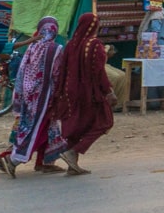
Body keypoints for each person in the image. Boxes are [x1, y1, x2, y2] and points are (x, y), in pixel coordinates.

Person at [44, 14, 116, 177]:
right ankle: (73, 152)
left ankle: (73, 164)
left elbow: (63, 70)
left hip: (69, 92)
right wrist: (108, 91)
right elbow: (98, 72)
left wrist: (60, 91)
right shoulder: (95, 45)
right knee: (104, 121)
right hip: (88, 92)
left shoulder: (70, 45)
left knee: (75, 126)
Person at [0, 17, 64, 178]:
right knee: (37, 129)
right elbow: (57, 74)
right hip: (45, 97)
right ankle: (13, 160)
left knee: (43, 126)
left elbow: (22, 71)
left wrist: (21, 94)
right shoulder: (56, 49)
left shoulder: (33, 47)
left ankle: (45, 162)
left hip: (28, 94)